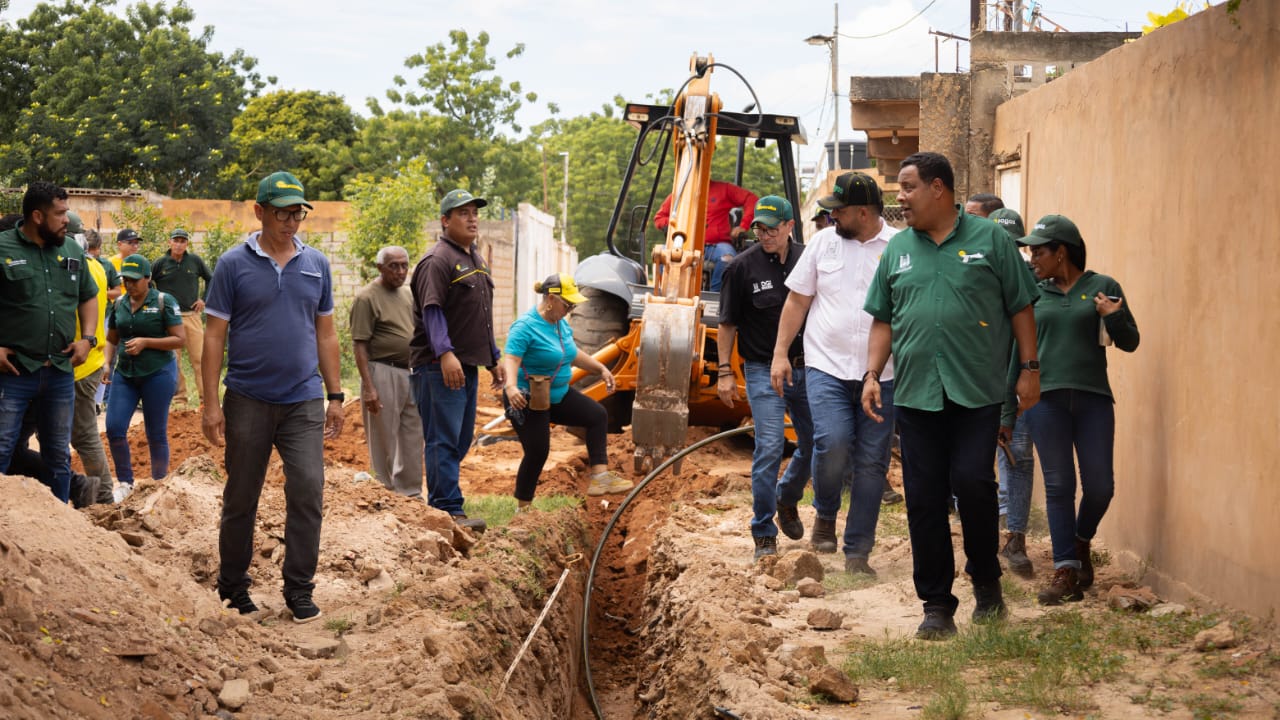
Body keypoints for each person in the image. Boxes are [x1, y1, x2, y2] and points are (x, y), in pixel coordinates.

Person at [860, 152, 1041, 640]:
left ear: (938, 189)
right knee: (923, 499)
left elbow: (1021, 306)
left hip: (976, 390)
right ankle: (937, 604)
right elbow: (883, 319)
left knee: (974, 487)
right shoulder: (897, 249)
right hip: (918, 394)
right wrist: (872, 373)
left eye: (907, 187)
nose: (899, 197)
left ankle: (987, 585)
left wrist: (1029, 369)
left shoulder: (992, 240)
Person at [202, 171, 344, 623]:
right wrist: (209, 403)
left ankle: (299, 589)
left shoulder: (316, 265)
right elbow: (213, 336)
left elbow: (326, 334)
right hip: (247, 397)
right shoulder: (232, 264)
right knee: (242, 493)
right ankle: (233, 586)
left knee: (308, 489)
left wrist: (336, 395)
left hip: (303, 399)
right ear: (260, 211)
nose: (290, 222)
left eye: (297, 213)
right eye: (281, 212)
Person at [1006, 214, 1139, 605]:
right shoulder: (1032, 292)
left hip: (1094, 398)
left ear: (1061, 252)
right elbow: (1017, 352)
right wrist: (1006, 409)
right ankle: (1065, 569)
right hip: (1044, 403)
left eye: (1039, 251)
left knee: (1100, 486)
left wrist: (1113, 317)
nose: (1032, 258)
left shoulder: (1103, 286)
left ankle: (1081, 542)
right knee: (1060, 485)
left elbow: (1130, 342)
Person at [771, 173, 898, 574]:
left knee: (873, 461)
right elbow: (797, 301)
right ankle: (825, 514)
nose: (831, 215)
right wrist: (779, 353)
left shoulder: (900, 246)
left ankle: (858, 551)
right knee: (832, 442)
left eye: (838, 209)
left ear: (863, 211)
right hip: (825, 366)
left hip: (883, 374)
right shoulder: (824, 243)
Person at [717, 195, 814, 561]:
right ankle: (763, 531)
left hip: (808, 367)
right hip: (761, 370)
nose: (765, 234)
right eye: (759, 227)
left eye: (772, 228)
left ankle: (786, 496)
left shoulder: (811, 259)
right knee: (770, 446)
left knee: (818, 442)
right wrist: (725, 372)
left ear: (790, 226)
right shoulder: (741, 268)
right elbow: (726, 324)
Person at [410, 189, 505, 534]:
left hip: (466, 364)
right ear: (445, 220)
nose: (472, 218)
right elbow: (431, 311)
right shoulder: (438, 260)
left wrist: (493, 357)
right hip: (438, 366)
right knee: (444, 438)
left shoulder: (475, 260)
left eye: (474, 212)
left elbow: (482, 316)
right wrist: (444, 353)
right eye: (462, 213)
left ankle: (444, 502)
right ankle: (446, 510)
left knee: (461, 437)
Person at [0, 181, 99, 504]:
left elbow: (88, 296)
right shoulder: (3, 248)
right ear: (38, 216)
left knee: (58, 454)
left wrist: (87, 338)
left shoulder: (71, 250)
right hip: (15, 372)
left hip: (59, 370)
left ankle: (61, 529)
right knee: (2, 448)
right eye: (60, 213)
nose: (66, 220)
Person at [501, 273, 633, 508]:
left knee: (596, 415)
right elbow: (511, 360)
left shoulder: (560, 324)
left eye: (573, 304)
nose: (570, 308)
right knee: (538, 451)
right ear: (551, 299)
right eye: (567, 303)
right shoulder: (525, 326)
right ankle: (523, 508)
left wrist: (600, 368)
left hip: (558, 394)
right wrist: (510, 387)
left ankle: (600, 478)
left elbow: (573, 354)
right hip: (527, 398)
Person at [102, 254, 184, 501]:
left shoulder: (163, 301)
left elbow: (180, 339)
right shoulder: (119, 304)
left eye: (135, 280)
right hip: (125, 374)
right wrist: (106, 363)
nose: (129, 285)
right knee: (114, 428)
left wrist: (146, 342)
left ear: (148, 279)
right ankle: (125, 483)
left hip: (157, 373)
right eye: (126, 280)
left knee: (155, 432)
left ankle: (159, 485)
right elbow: (111, 339)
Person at [350, 245, 424, 496]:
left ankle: (411, 493)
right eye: (394, 266)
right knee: (384, 437)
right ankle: (383, 490)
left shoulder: (407, 294)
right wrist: (369, 388)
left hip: (410, 372)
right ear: (380, 268)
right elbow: (359, 345)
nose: (401, 271)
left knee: (413, 435)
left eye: (405, 265)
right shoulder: (366, 298)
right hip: (381, 371)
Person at [987, 207, 1036, 578]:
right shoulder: (975, 278)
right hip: (974, 383)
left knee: (1017, 452)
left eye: (1013, 242)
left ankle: (1014, 535)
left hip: (1015, 385)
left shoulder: (1031, 284)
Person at [67, 212, 117, 505]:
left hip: (79, 364)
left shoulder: (76, 269)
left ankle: (102, 497)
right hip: (91, 361)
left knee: (83, 436)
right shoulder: (95, 266)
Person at [652, 179, 757, 291]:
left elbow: (752, 199)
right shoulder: (680, 193)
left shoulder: (724, 189)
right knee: (664, 255)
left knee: (728, 259)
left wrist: (743, 226)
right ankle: (668, 291)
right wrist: (676, 223)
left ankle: (717, 296)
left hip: (717, 245)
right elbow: (659, 218)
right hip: (686, 244)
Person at [152, 227, 213, 406]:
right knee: (173, 360)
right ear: (169, 242)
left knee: (200, 359)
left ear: (187, 244)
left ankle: (206, 400)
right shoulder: (160, 263)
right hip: (169, 318)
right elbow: (146, 281)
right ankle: (179, 399)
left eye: (182, 241)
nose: (179, 244)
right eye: (175, 240)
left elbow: (211, 278)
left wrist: (204, 299)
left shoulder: (194, 261)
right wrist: (156, 302)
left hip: (192, 315)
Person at [84, 228, 123, 301]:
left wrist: (101, 293)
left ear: (99, 248)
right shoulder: (80, 263)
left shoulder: (107, 265)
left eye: (95, 249)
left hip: (105, 310)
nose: (91, 253)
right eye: (89, 249)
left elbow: (117, 292)